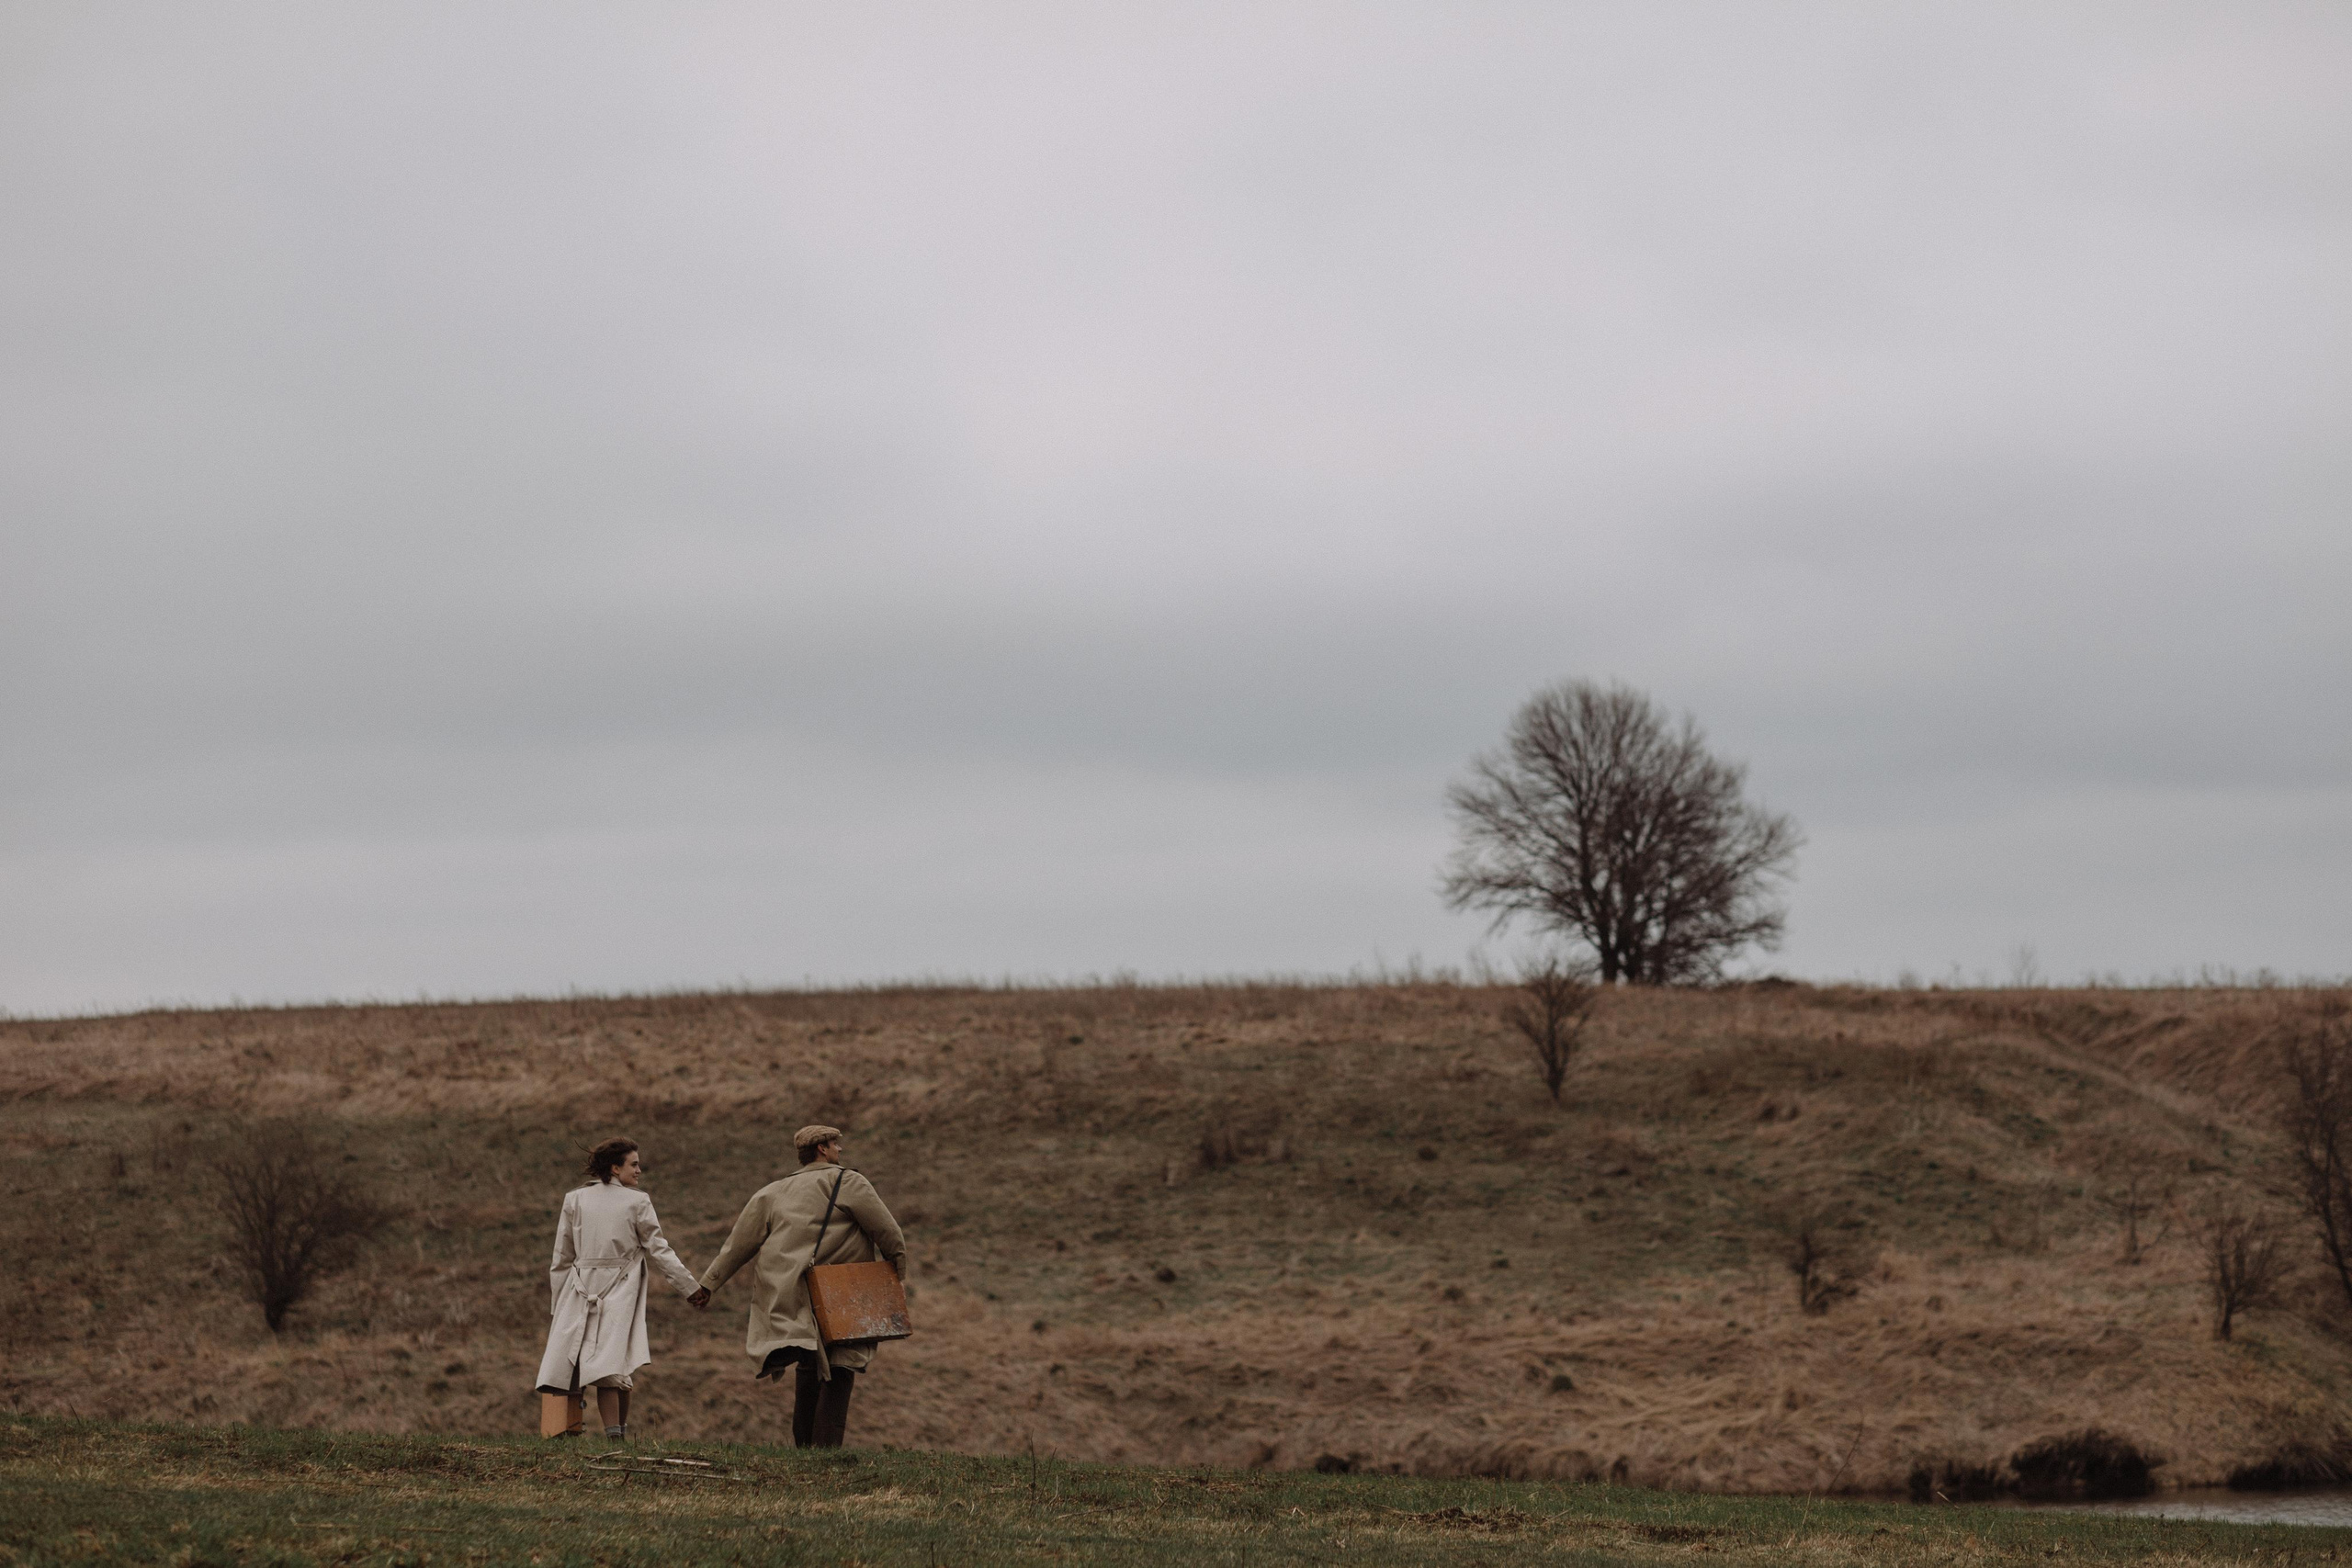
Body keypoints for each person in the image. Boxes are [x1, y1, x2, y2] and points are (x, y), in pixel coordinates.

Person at [696, 1123, 908, 1448]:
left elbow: (737, 1245)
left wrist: (709, 1284)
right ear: (822, 1149)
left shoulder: (773, 1192)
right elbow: (888, 1232)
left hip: (792, 1292)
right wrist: (897, 1274)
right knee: (842, 1365)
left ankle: (804, 1450)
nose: (840, 1149)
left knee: (809, 1364)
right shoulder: (847, 1181)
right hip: (841, 1292)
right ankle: (826, 1452)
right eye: (835, 1144)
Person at [535, 1137, 703, 1439]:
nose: (639, 1170)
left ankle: (597, 1434)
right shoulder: (638, 1202)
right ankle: (613, 1436)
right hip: (618, 1290)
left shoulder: (575, 1199)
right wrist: (690, 1287)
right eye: (633, 1164)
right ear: (615, 1168)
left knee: (581, 1363)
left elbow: (561, 1259)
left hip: (578, 1291)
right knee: (612, 1365)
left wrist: (559, 1306)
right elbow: (660, 1250)